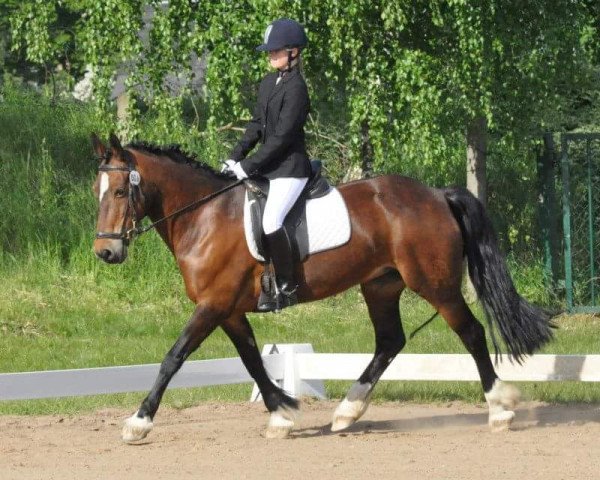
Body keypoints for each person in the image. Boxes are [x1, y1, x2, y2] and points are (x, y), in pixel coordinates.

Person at [222, 18, 311, 312]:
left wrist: (249, 165)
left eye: (276, 51)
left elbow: (283, 138)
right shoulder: (268, 82)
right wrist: (234, 157)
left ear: (294, 52)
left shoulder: (297, 88)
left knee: (271, 220)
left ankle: (286, 286)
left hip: (290, 169)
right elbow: (257, 126)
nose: (270, 55)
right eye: (270, 51)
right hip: (269, 167)